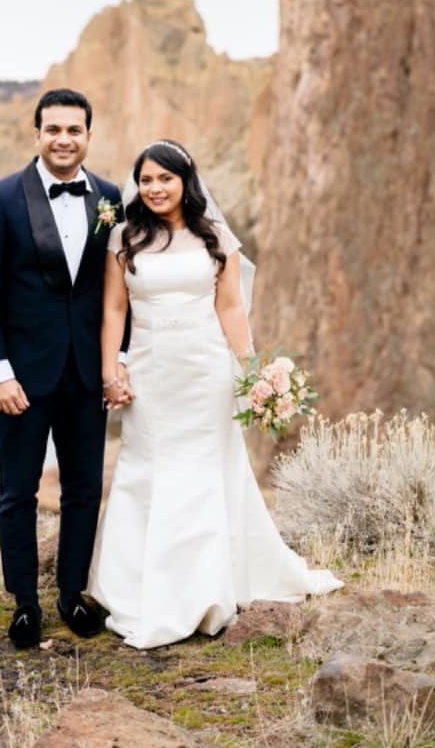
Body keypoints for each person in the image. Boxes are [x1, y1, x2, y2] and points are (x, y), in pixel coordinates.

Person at [86, 139, 341, 649]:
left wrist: (253, 373)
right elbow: (114, 310)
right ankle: (144, 588)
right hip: (152, 373)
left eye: (165, 179)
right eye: (146, 180)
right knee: (149, 467)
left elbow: (230, 310)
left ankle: (208, 588)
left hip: (206, 372)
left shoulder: (215, 237)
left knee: (207, 469)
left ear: (186, 182)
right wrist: (110, 370)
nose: (155, 188)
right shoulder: (124, 237)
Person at [0, 88, 126, 649]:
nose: (63, 139)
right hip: (22, 381)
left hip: (86, 377)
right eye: (53, 129)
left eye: (74, 130)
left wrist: (116, 362)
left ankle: (71, 596)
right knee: (18, 492)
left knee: (84, 490)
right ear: (36, 135)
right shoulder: (1, 197)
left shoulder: (108, 198)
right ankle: (26, 604)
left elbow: (116, 293)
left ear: (88, 136)